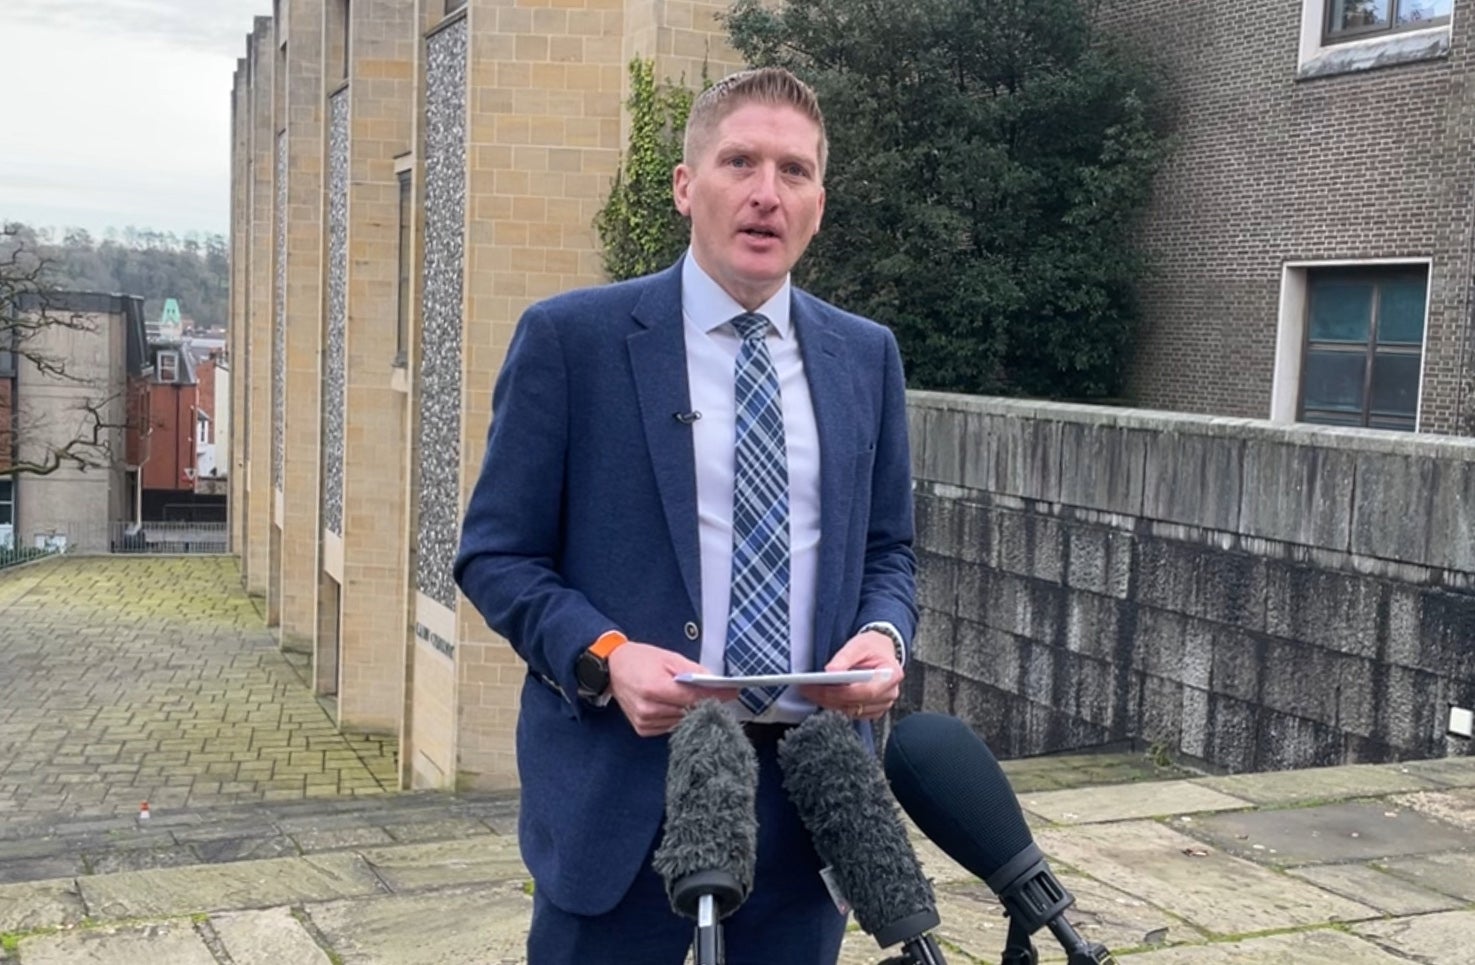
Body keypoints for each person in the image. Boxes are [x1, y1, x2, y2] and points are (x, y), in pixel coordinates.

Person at [454, 66, 917, 965]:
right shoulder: (571, 341)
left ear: (819, 200)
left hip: (807, 804)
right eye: (739, 161)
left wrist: (884, 638)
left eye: (792, 171)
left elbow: (887, 552)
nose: (764, 193)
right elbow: (496, 556)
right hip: (624, 803)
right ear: (684, 185)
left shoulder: (866, 357)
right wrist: (608, 657)